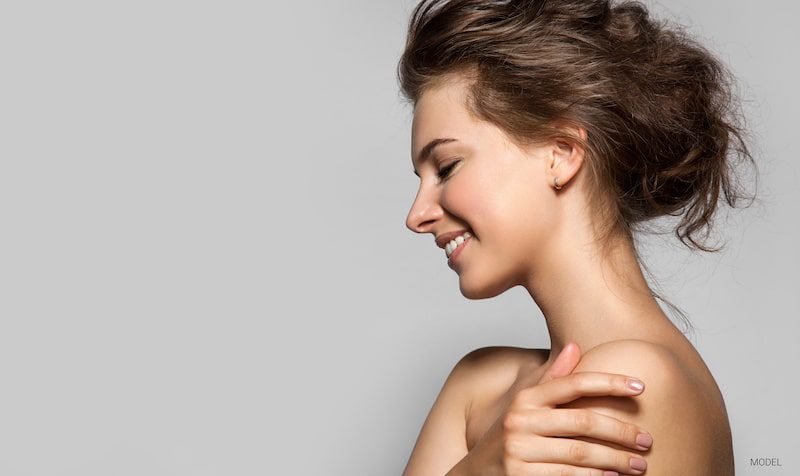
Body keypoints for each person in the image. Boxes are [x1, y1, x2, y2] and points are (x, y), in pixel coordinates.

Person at [397, 0, 757, 475]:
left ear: (561, 153)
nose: (416, 215)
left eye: (446, 167)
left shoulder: (632, 383)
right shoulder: (477, 383)